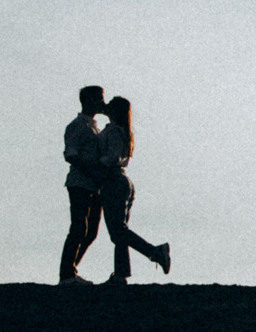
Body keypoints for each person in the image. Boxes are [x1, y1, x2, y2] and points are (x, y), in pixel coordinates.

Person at [97, 94, 172, 283]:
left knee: (118, 231)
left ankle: (154, 252)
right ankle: (121, 275)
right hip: (122, 182)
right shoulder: (123, 131)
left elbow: (112, 156)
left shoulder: (113, 130)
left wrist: (97, 165)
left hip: (113, 181)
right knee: (120, 231)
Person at [59, 84, 110, 284]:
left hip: (95, 185)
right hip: (80, 183)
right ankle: (67, 274)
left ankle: (71, 269)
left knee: (90, 232)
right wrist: (91, 170)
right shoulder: (77, 126)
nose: (102, 102)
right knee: (79, 227)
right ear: (87, 100)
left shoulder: (94, 127)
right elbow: (70, 154)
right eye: (98, 98)